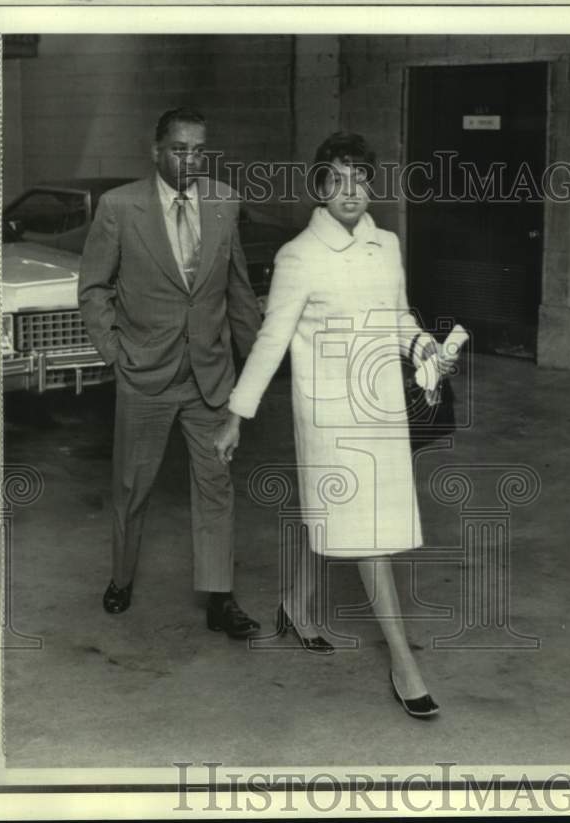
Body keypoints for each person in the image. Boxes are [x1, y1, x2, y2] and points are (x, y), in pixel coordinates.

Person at [214, 131, 450, 717]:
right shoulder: (300, 255)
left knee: (334, 513)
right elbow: (271, 340)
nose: (350, 191)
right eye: (337, 180)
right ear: (321, 186)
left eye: (360, 179)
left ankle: (296, 603)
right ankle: (404, 664)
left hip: (382, 408)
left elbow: (397, 318)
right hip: (328, 415)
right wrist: (238, 414)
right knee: (367, 532)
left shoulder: (387, 245)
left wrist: (424, 347)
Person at [78, 107, 263, 639]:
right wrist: (116, 354)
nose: (191, 159)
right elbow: (94, 289)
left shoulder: (225, 202)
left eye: (199, 149)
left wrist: (255, 371)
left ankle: (219, 598)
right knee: (132, 486)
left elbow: (239, 292)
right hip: (145, 375)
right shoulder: (119, 207)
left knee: (216, 487)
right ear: (156, 150)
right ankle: (121, 577)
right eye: (180, 149)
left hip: (210, 375)